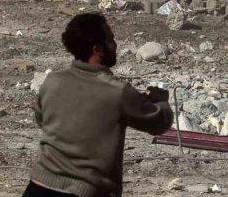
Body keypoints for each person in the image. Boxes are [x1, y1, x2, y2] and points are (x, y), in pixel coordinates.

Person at [25, 13, 173, 197]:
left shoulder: (53, 81)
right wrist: (160, 100)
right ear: (97, 49)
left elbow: (42, 119)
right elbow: (159, 122)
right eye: (111, 39)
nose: (115, 45)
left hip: (37, 186)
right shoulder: (118, 92)